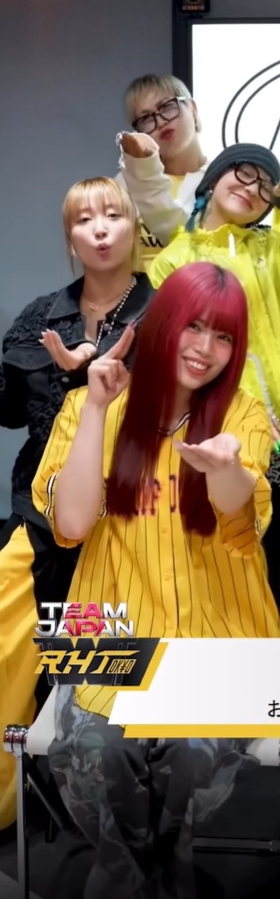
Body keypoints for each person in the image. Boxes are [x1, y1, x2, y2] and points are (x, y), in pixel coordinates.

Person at [32, 262, 280, 899]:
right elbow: (71, 524)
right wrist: (94, 408)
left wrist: (225, 467)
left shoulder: (243, 414)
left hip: (219, 630)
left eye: (223, 336)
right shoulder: (91, 407)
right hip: (108, 624)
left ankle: (143, 879)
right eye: (194, 326)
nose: (205, 348)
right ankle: (142, 881)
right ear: (164, 323)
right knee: (97, 751)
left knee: (190, 752)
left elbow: (241, 516)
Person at [0, 177, 152, 831]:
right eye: (84, 219)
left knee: (105, 671)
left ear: (134, 226)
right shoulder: (42, 314)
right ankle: (15, 805)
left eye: (112, 214)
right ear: (70, 236)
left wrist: (101, 379)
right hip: (41, 514)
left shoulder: (161, 311)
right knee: (14, 644)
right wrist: (62, 372)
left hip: (134, 521)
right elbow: (8, 410)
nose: (99, 228)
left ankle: (119, 811)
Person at [148, 144, 280, 637]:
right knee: (241, 552)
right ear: (214, 177)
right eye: (244, 174)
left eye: (265, 187)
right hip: (231, 435)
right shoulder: (174, 260)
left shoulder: (272, 247)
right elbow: (178, 353)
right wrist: (237, 411)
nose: (253, 189)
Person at [116, 73, 209, 267]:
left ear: (193, 108)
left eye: (167, 106)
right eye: (146, 118)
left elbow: (194, 244)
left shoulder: (222, 181)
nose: (160, 121)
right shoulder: (126, 183)